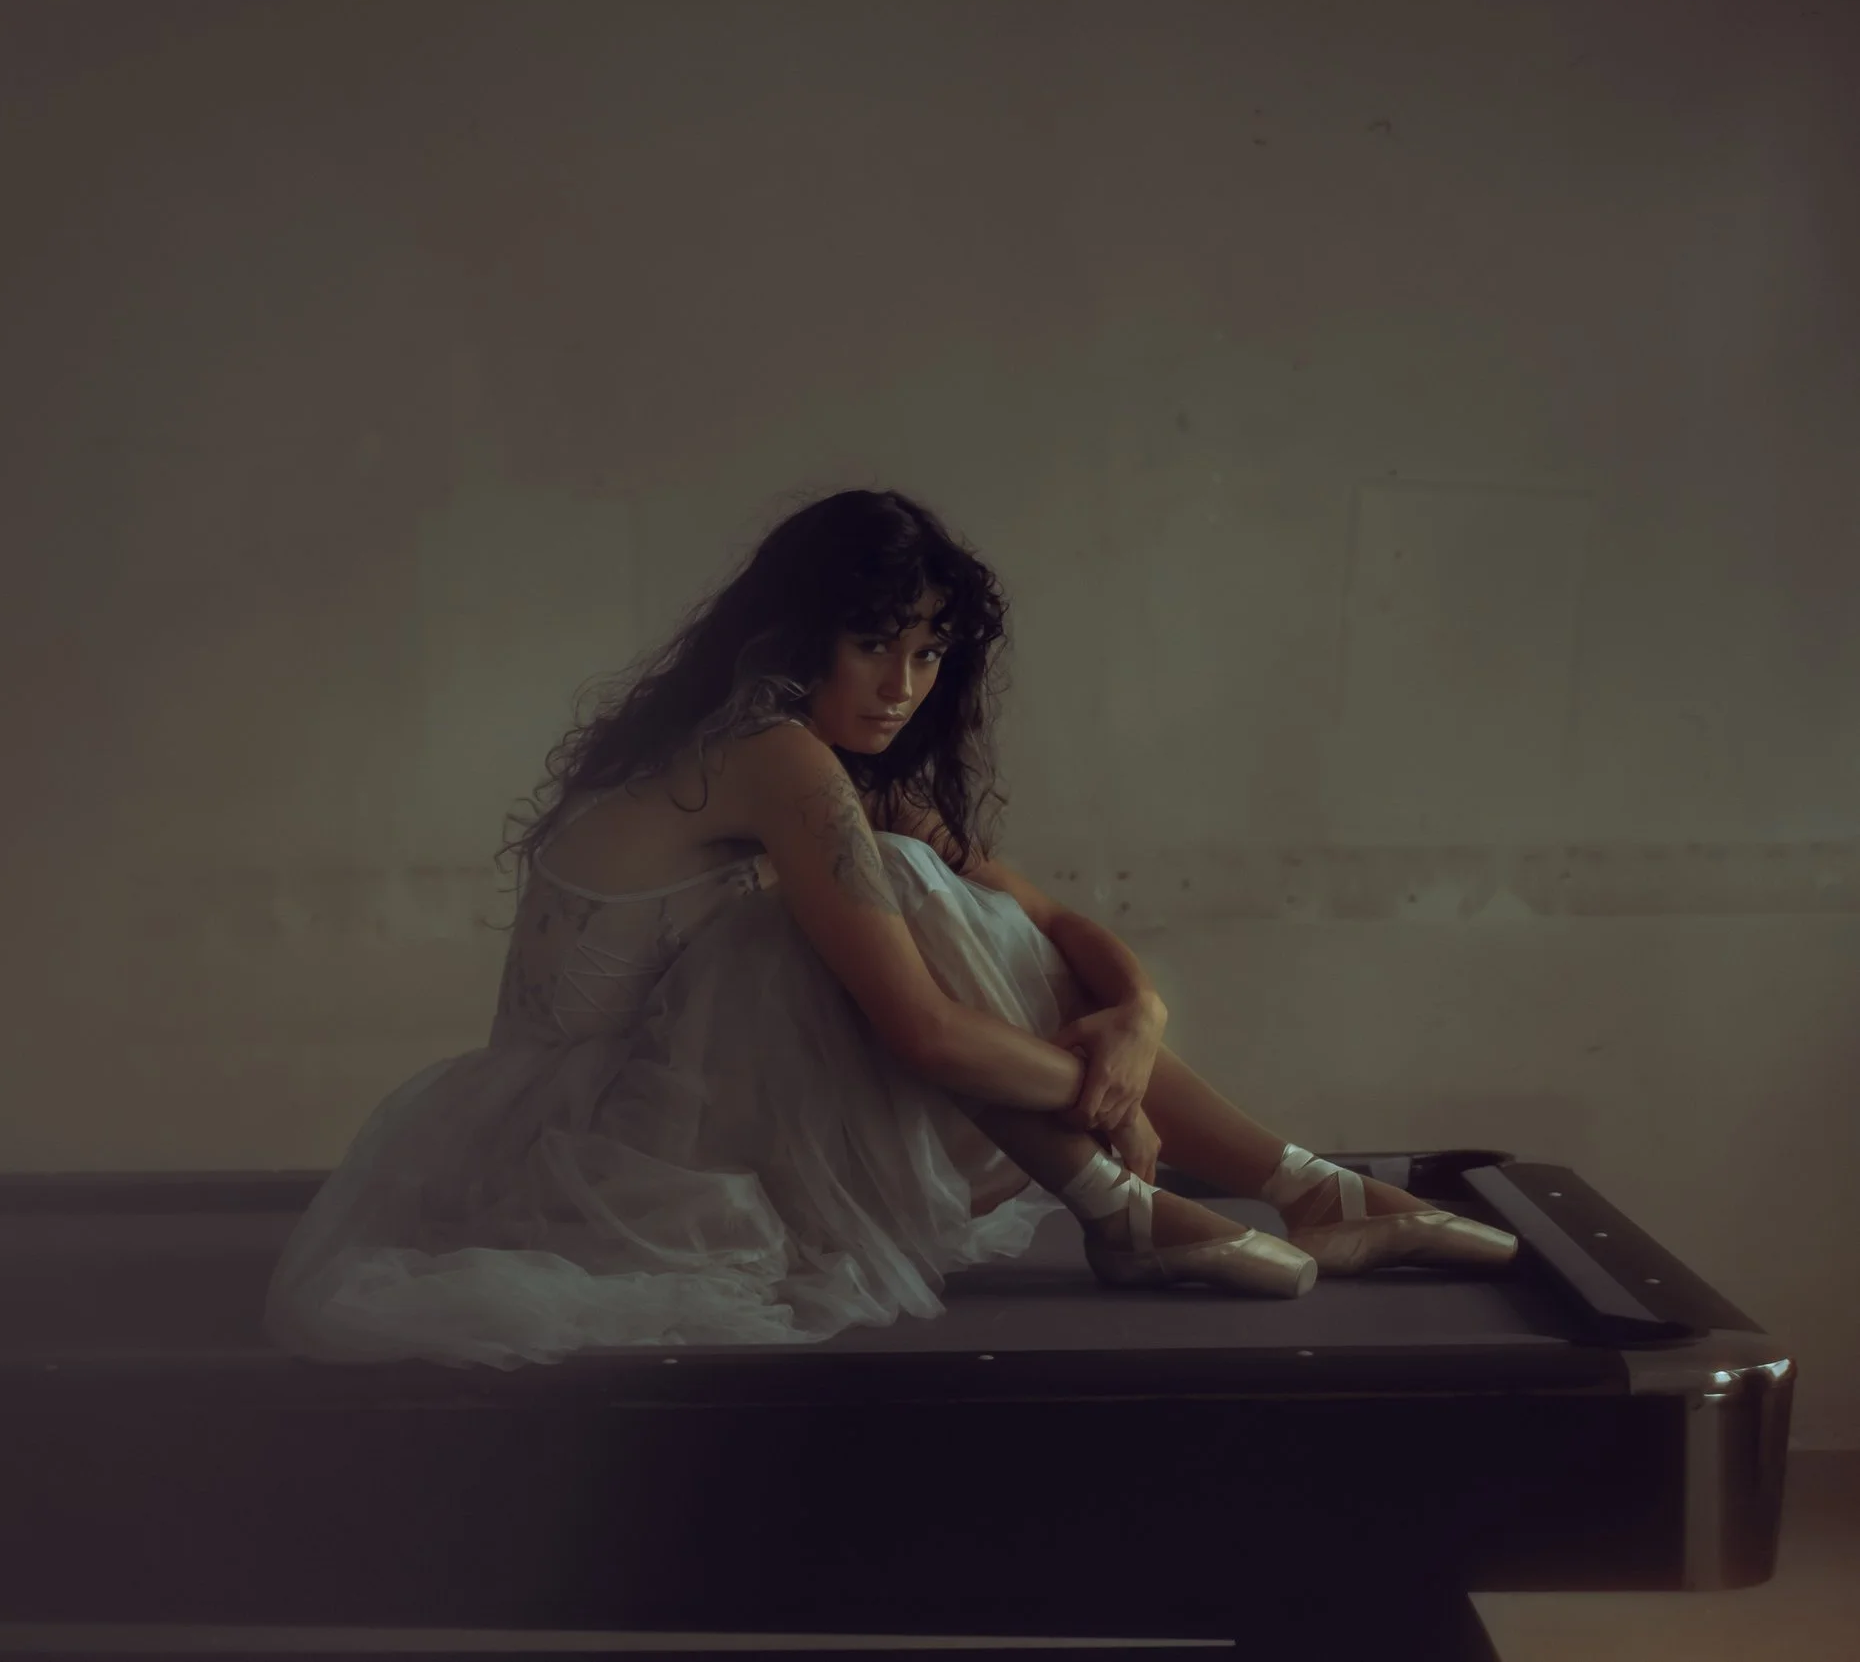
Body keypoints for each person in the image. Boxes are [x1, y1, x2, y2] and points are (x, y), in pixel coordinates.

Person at [264, 489, 1515, 1368]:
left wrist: (1136, 1022)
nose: (902, 684)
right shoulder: (769, 757)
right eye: (872, 644)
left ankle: (1294, 1189)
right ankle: (1185, 1198)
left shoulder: (822, 771)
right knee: (830, 927)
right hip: (593, 1156)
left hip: (673, 1111)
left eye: (927, 651)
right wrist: (1104, 1102)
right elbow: (917, 1028)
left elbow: (1051, 917)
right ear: (792, 635)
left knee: (912, 874)